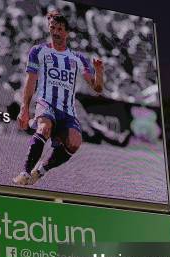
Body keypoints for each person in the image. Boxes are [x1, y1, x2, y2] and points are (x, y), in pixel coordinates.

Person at [13, 12, 103, 186]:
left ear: (67, 32)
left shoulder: (78, 58)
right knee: (45, 127)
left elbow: (97, 88)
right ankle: (24, 172)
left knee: (75, 143)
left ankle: (39, 171)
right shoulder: (38, 51)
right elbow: (30, 81)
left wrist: (99, 72)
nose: (55, 32)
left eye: (60, 29)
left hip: (68, 111)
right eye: (52, 28)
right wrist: (24, 108)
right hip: (46, 103)